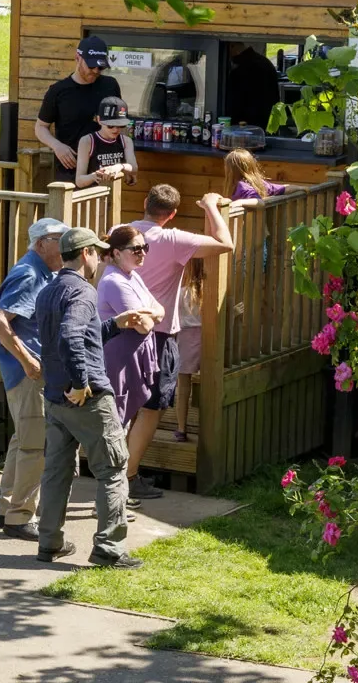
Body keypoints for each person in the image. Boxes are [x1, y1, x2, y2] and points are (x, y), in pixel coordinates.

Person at [36, 225, 145, 569]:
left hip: (55, 398)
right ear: (85, 254)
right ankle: (109, 549)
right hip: (88, 399)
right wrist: (82, 382)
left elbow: (76, 334)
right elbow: (70, 336)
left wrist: (115, 325)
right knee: (113, 469)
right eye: (96, 252)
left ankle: (49, 542)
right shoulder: (83, 292)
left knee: (56, 471)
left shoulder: (49, 291)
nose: (98, 258)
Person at [123, 185, 234, 502]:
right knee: (151, 408)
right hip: (157, 334)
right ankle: (127, 477)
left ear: (145, 202)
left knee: (124, 405)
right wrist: (211, 206)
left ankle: (115, 474)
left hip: (120, 328)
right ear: (171, 214)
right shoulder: (173, 239)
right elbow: (226, 244)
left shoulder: (122, 233)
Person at [0, 217, 67, 539]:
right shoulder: (31, 273)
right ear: (41, 243)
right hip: (27, 373)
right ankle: (20, 518)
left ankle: (5, 507)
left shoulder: (39, 270)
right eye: (59, 240)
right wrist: (28, 360)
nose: (64, 247)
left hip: (24, 371)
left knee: (23, 440)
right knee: (36, 446)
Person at [95, 225, 166, 443]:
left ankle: (120, 473)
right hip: (119, 365)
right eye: (136, 249)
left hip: (132, 360)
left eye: (145, 247)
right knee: (116, 421)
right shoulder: (114, 282)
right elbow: (144, 325)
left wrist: (151, 314)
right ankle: (113, 473)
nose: (142, 253)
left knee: (123, 421)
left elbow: (161, 311)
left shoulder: (132, 276)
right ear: (116, 253)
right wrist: (152, 315)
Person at [35, 37, 123, 181]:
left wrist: (124, 161)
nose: (95, 71)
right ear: (77, 58)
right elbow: (40, 127)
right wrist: (57, 146)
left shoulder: (110, 85)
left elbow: (119, 124)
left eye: (100, 67)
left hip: (104, 169)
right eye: (91, 66)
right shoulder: (58, 91)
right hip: (70, 169)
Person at [74, 96, 138, 190]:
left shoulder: (126, 141)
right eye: (110, 125)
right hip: (93, 196)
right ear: (99, 120)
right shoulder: (87, 141)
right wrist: (96, 175)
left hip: (116, 196)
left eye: (120, 125)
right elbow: (79, 181)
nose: (116, 129)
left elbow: (134, 167)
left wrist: (118, 167)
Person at [173, 258, 205, 442]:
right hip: (206, 336)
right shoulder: (208, 291)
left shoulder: (182, 292)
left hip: (185, 336)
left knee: (183, 385)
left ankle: (181, 428)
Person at [224, 39, 281, 128]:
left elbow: (235, 102)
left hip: (246, 124)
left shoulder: (241, 69)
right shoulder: (264, 62)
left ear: (232, 46)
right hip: (267, 120)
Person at [224, 147, 289, 201]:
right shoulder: (260, 184)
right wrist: (299, 188)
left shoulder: (241, 186)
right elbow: (284, 188)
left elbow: (257, 200)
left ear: (230, 170)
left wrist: (239, 203)